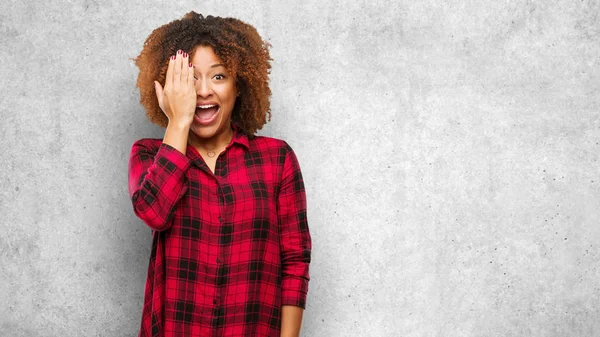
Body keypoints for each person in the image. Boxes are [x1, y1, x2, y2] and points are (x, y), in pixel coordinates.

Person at [127, 11, 312, 337]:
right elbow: (153, 212)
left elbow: (295, 261)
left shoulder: (276, 159)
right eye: (189, 78)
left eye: (218, 76)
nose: (202, 91)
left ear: (239, 85)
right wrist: (179, 122)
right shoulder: (150, 155)